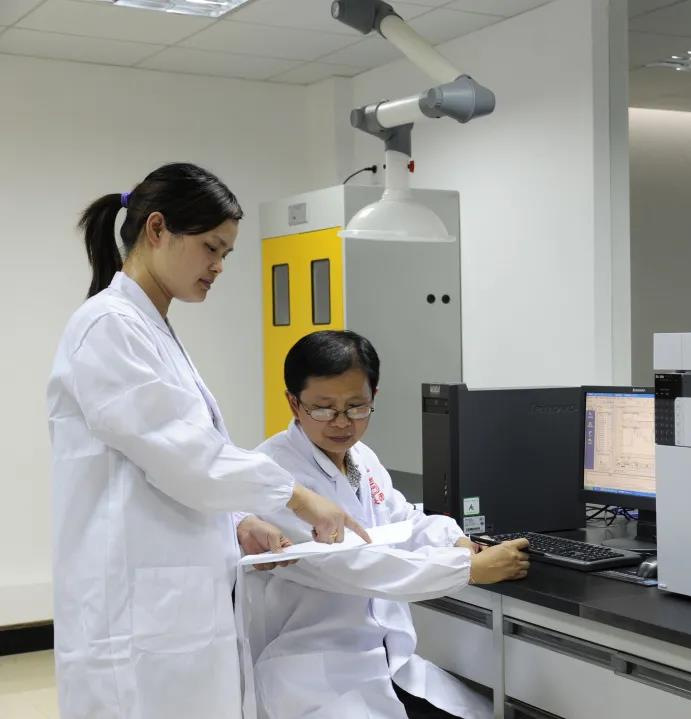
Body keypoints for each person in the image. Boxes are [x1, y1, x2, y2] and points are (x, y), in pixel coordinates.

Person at [47, 163, 367, 719]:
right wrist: (299, 497)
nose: (219, 266)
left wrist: (237, 522)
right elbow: (187, 459)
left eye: (227, 253)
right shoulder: (109, 327)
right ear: (157, 229)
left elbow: (168, 461)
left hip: (170, 606)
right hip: (132, 618)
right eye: (211, 248)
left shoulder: (151, 329)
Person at [239, 330, 530, 719]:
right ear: (294, 402)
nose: (342, 423)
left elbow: (402, 519)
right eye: (323, 409)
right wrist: (468, 569)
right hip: (312, 674)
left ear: (373, 397)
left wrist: (455, 540)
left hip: (385, 662)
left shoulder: (360, 457)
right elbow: (349, 566)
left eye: (356, 407)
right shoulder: (274, 475)